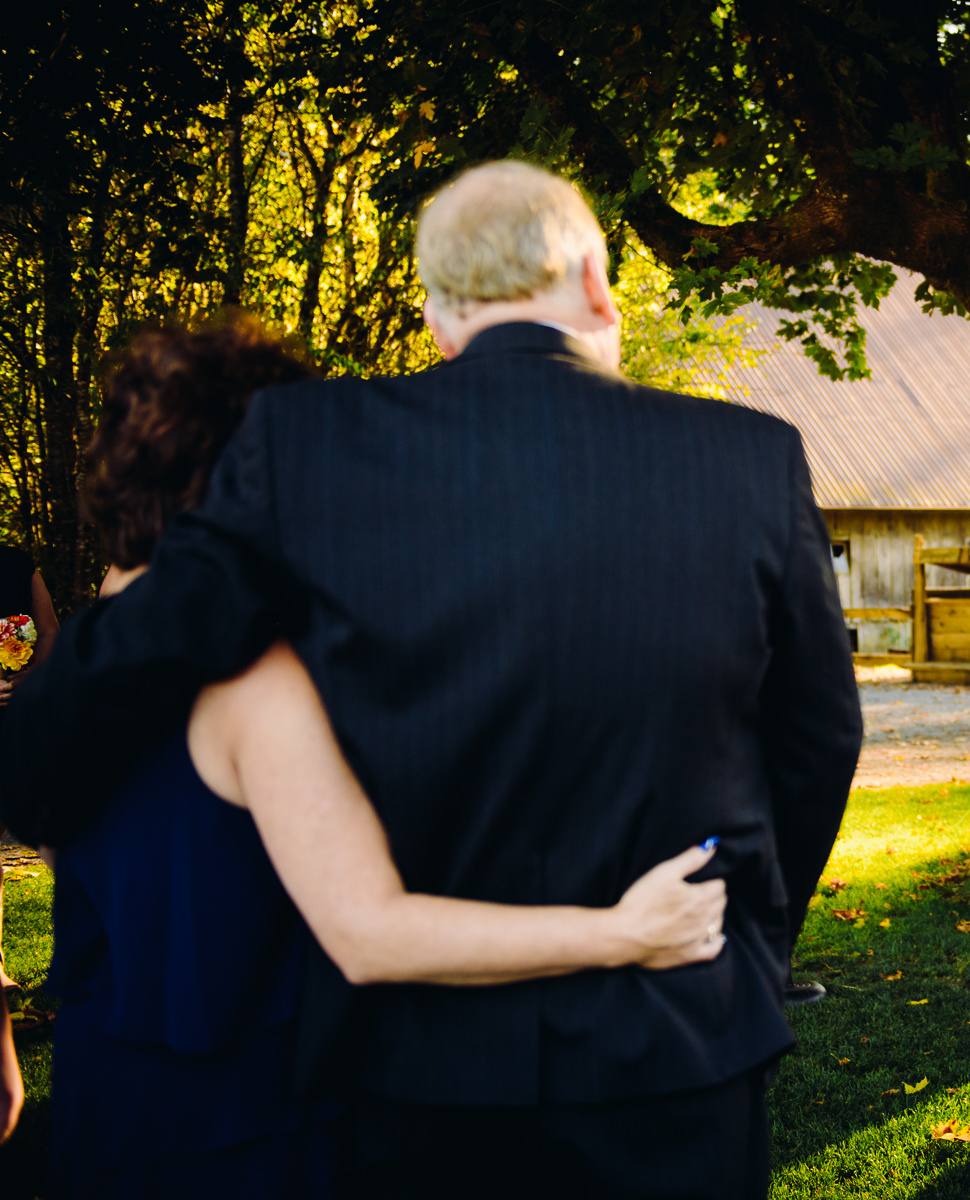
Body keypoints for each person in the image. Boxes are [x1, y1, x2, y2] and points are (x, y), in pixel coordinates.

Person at [0, 160, 861, 1197]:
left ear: (440, 316)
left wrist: (36, 777)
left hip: (414, 1067)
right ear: (596, 278)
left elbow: (137, 645)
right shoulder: (751, 459)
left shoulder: (311, 448)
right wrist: (744, 947)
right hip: (677, 1041)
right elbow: (819, 741)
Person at [38, 320, 729, 1195]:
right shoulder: (252, 679)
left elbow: (72, 849)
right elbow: (366, 933)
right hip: (253, 1126)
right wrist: (624, 933)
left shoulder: (76, 656)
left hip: (109, 1103)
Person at [0, 542, 58, 996]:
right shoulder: (16, 560)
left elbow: (49, 628)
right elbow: (52, 627)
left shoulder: (18, 562)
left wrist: (29, 676)